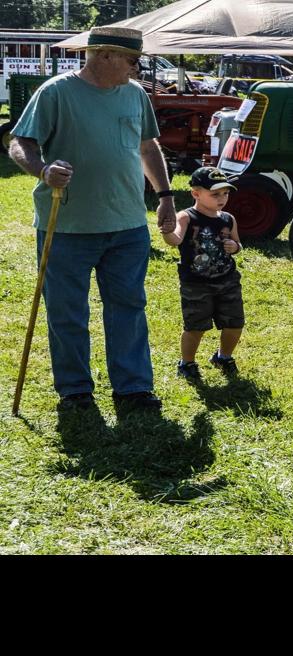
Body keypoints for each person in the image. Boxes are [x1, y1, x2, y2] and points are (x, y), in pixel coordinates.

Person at [7, 25, 178, 413]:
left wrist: (165, 196)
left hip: (128, 224)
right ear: (103, 55)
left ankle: (133, 388)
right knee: (67, 312)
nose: (137, 69)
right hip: (68, 225)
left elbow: (148, 147)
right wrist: (42, 170)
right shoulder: (56, 92)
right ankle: (75, 391)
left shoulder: (135, 95)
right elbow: (21, 142)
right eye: (133, 60)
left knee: (129, 308)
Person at [160, 166, 245, 379]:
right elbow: (175, 241)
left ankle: (223, 357)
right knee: (195, 326)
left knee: (234, 324)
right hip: (196, 283)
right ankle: (187, 363)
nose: (222, 199)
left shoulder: (228, 218)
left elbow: (237, 243)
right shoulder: (186, 217)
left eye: (225, 193)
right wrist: (168, 232)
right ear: (196, 194)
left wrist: (234, 247)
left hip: (227, 279)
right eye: (215, 194)